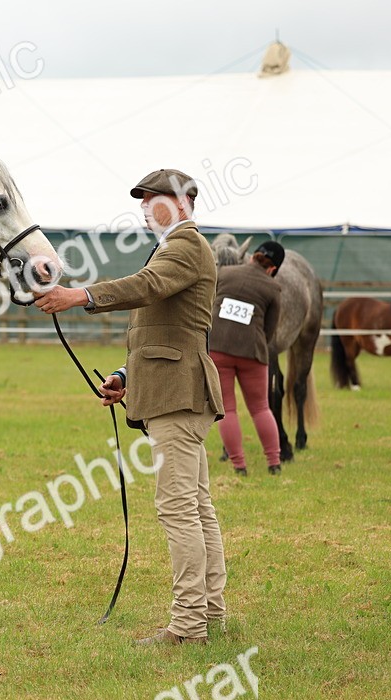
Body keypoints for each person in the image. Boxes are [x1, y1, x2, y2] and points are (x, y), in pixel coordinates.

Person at [33, 169, 225, 646]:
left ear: (181, 203)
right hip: (173, 389)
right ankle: (210, 614)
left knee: (178, 509)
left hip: (179, 395)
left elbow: (146, 286)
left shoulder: (185, 245)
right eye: (141, 201)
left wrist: (80, 295)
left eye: (152, 199)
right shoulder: (174, 246)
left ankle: (188, 627)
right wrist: (124, 376)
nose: (144, 208)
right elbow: (160, 332)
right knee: (196, 507)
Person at [209, 240, 284, 476]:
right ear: (272, 269)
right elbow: (270, 330)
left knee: (227, 410)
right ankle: (274, 463)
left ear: (252, 256)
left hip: (218, 348)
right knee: (261, 408)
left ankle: (239, 466)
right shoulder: (273, 288)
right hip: (252, 353)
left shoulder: (224, 273)